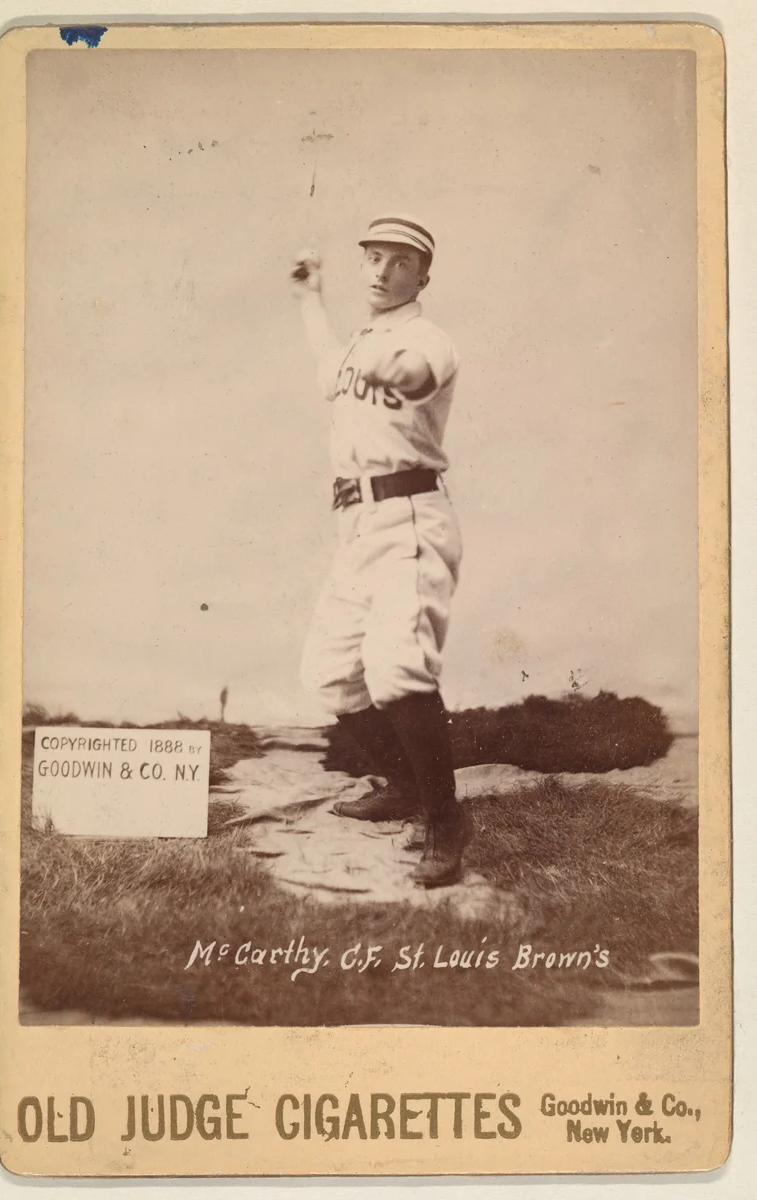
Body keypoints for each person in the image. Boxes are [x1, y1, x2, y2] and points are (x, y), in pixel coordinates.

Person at [290, 214, 468, 888]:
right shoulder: (364, 335)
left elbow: (417, 376)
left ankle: (446, 821)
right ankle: (403, 787)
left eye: (398, 261)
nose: (381, 271)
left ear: (422, 275)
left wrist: (365, 358)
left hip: (411, 517)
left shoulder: (426, 339)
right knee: (332, 673)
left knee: (397, 670)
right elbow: (328, 372)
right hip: (357, 524)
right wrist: (311, 299)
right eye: (372, 257)